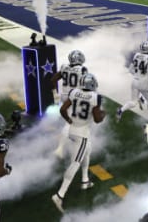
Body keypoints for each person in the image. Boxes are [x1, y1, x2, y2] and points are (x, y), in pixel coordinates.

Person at [51, 73, 106, 214]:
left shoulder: (74, 92)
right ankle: (59, 195)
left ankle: (85, 180)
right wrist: (102, 114)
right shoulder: (95, 98)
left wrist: (69, 121)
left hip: (73, 129)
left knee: (88, 151)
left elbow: (63, 109)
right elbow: (97, 119)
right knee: (75, 163)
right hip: (81, 134)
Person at [50, 50, 88, 158]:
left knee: (71, 121)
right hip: (74, 98)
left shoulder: (64, 67)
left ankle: (72, 138)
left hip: (64, 96)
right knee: (71, 123)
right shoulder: (82, 69)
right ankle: (60, 148)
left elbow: (52, 80)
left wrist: (55, 95)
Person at [117, 41, 148, 121]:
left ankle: (121, 110)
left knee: (133, 102)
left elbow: (130, 70)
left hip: (135, 81)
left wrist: (137, 75)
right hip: (143, 83)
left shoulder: (137, 55)